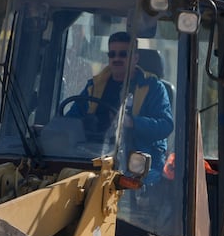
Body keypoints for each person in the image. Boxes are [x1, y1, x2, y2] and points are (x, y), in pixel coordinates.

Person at [68, 31, 173, 167]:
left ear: (135, 58)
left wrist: (132, 123)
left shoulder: (153, 88)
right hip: (94, 155)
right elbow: (71, 118)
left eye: (123, 54)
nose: (116, 58)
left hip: (138, 163)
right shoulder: (94, 86)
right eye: (112, 54)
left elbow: (165, 125)